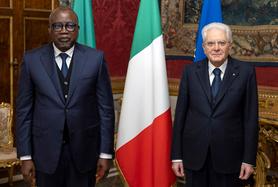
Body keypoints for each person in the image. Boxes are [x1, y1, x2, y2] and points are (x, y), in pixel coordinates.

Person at [16, 6, 115, 187]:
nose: (64, 31)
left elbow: (106, 110)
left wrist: (105, 153)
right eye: (57, 26)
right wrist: (25, 156)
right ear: (49, 30)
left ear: (77, 29)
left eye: (70, 26)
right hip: (45, 155)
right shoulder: (31, 60)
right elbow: (24, 111)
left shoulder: (96, 59)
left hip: (85, 153)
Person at [171, 22, 258, 187]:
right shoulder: (190, 72)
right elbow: (180, 116)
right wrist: (177, 156)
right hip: (195, 157)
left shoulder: (245, 72)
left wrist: (248, 160)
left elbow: (250, 119)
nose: (216, 48)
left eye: (221, 43)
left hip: (231, 159)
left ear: (230, 46)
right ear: (204, 47)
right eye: (211, 43)